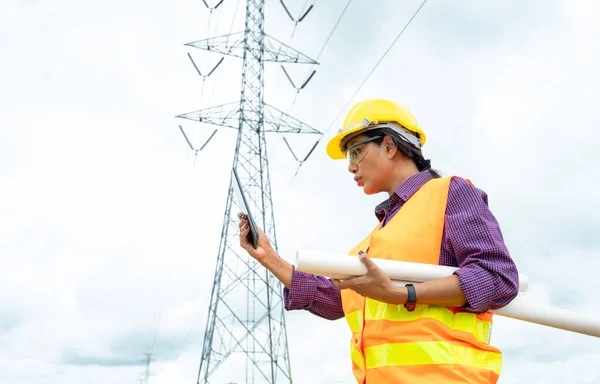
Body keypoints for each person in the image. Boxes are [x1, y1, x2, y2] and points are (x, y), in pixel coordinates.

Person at [238, 98, 520, 384]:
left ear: (389, 145)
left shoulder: (450, 193)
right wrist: (269, 258)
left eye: (355, 151)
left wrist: (403, 294)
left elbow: (497, 278)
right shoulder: (379, 237)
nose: (350, 167)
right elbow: (341, 299)